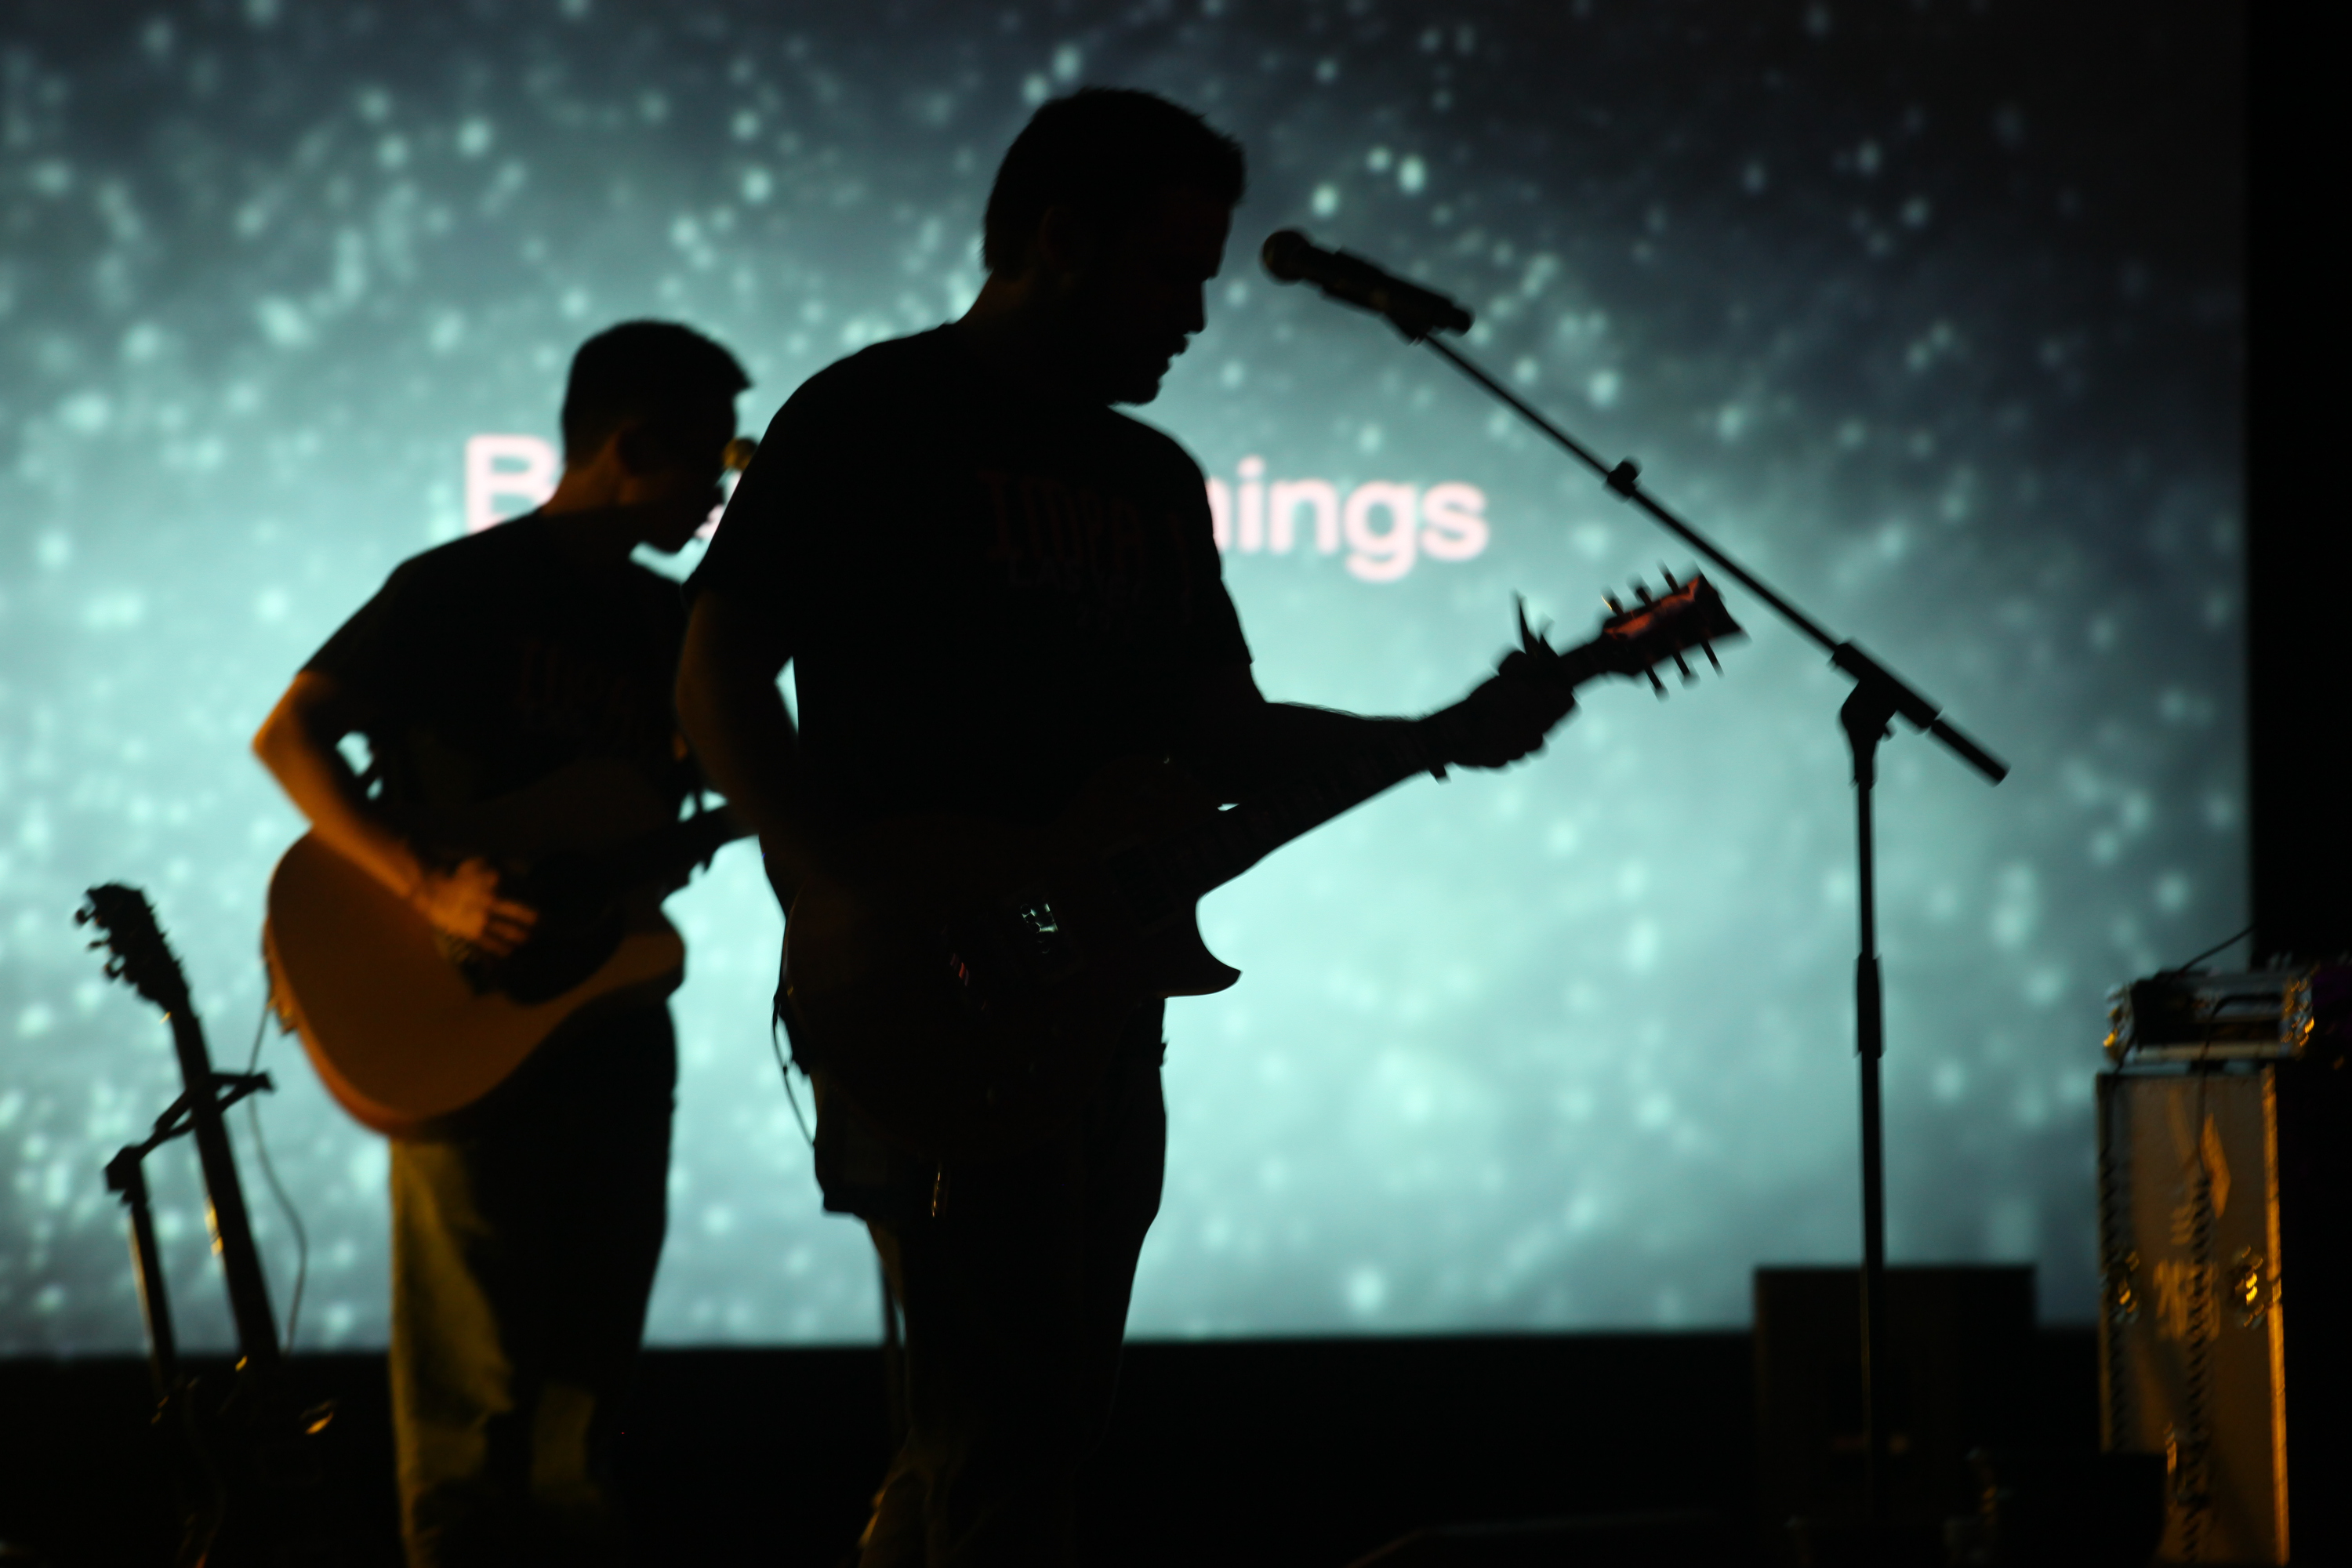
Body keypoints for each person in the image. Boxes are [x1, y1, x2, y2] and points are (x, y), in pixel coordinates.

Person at [673, 89, 1572, 1566]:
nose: (1199, 317)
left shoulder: (1153, 484)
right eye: (1175, 273)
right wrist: (835, 899)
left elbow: (1231, 739)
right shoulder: (873, 414)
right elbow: (712, 678)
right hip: (923, 988)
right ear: (1056, 241)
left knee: (1032, 1430)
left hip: (1098, 1012)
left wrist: (1441, 737)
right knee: (996, 1433)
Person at [251, 321, 748, 1566]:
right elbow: (293, 737)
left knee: (586, 1393)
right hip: (457, 1015)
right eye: (709, 461)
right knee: (474, 1396)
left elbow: (685, 806)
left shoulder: (675, 623)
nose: (720, 491)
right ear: (628, 445)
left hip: (613, 1016)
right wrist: (431, 888)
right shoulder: (461, 588)